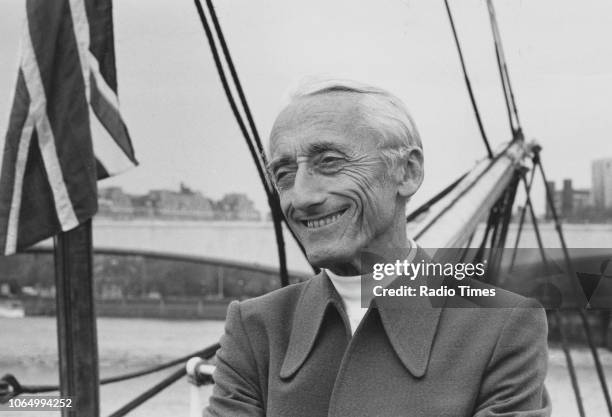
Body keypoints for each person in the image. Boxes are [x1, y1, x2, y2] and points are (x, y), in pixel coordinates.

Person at [204, 79, 550, 417]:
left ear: (407, 172)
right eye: (283, 173)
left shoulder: (503, 327)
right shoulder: (255, 327)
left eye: (329, 162)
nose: (302, 196)